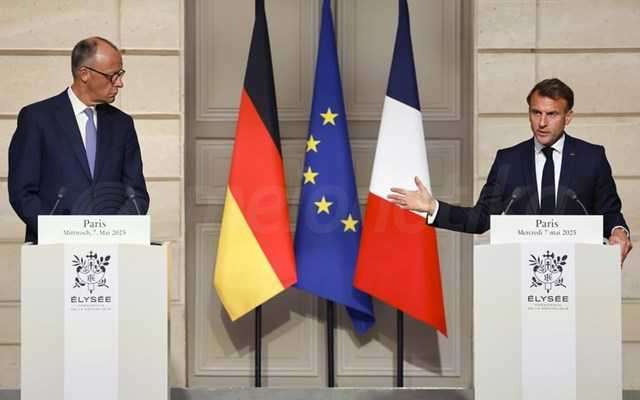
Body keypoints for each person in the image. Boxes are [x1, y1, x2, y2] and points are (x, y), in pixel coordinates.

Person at [388, 78, 632, 263]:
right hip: (522, 277)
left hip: (580, 271)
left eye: (552, 114)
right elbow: (481, 218)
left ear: (568, 117)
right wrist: (433, 207)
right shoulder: (509, 160)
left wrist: (619, 232)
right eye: (536, 113)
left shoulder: (592, 158)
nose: (542, 122)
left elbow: (609, 212)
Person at [8, 36, 149, 243]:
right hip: (53, 249)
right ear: (84, 74)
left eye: (120, 74)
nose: (120, 83)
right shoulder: (37, 118)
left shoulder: (122, 124)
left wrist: (110, 232)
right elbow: (22, 193)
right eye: (113, 76)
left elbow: (136, 194)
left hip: (110, 249)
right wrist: (62, 233)